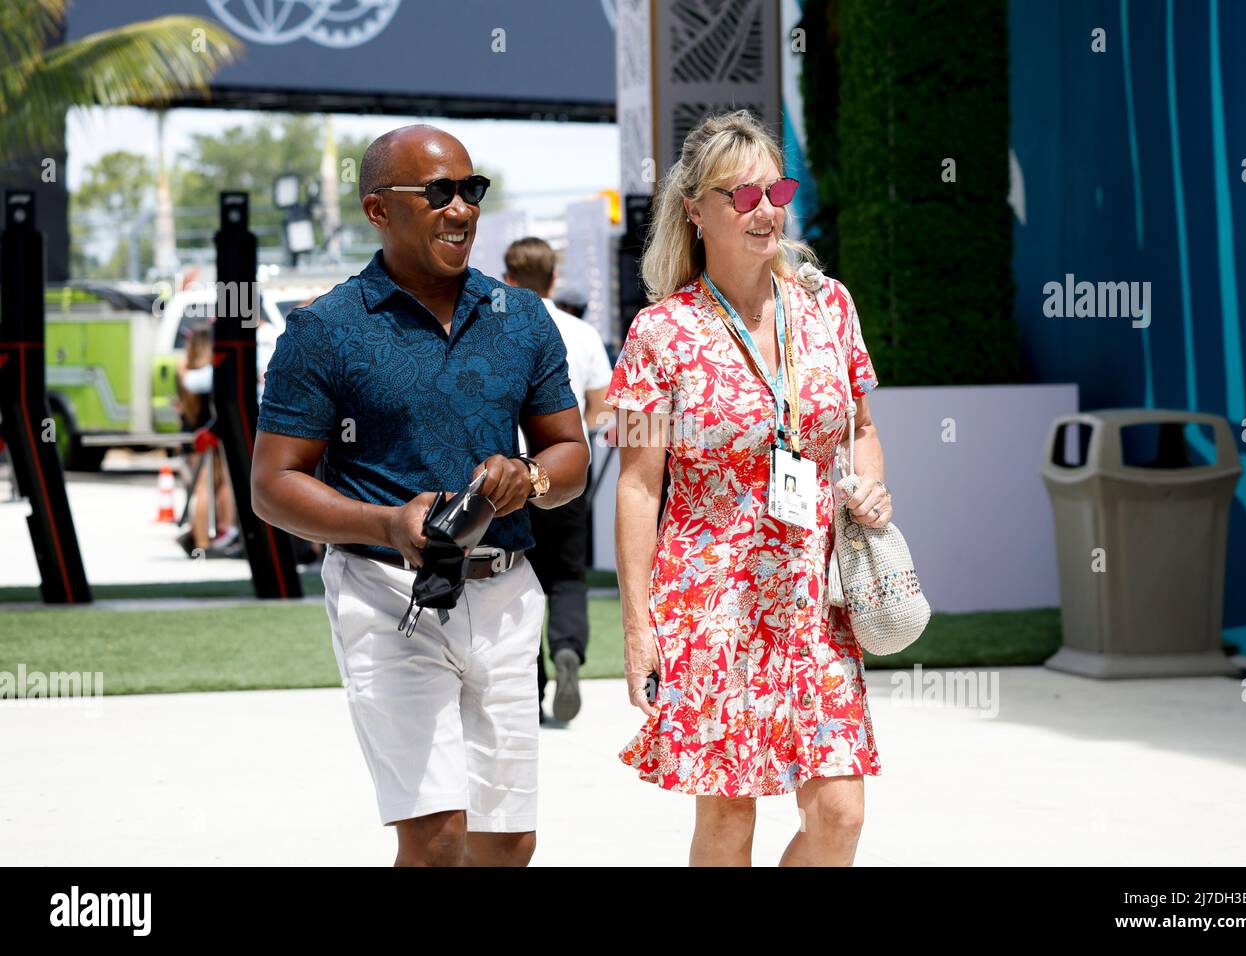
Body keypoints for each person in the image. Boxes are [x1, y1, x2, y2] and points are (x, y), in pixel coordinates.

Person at [250, 124, 588, 867]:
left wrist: (526, 478)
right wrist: (387, 523)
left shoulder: (522, 319)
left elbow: (572, 457)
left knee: (508, 843)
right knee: (436, 841)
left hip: (505, 596)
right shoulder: (323, 329)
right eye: (438, 193)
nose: (461, 209)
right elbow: (272, 485)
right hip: (384, 597)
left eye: (471, 190)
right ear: (379, 209)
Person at [606, 109, 894, 866]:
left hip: (814, 598)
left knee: (841, 811)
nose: (765, 210)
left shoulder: (830, 308)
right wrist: (638, 626)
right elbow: (637, 488)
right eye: (740, 196)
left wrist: (869, 489)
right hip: (709, 601)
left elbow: (861, 428)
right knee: (730, 817)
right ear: (696, 211)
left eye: (776, 189)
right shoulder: (659, 335)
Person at [504, 237, 613, 724]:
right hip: (564, 472)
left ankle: (530, 683)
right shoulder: (581, 332)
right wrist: (579, 434)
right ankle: (568, 648)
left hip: (507, 475)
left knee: (510, 577)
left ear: (508, 279)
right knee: (567, 576)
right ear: (552, 279)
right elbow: (603, 405)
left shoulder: (498, 328)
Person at [175, 325, 239, 557]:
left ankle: (206, 537)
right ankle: (204, 540)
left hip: (193, 433)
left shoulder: (186, 370)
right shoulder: (204, 374)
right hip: (206, 435)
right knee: (208, 487)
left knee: (207, 487)